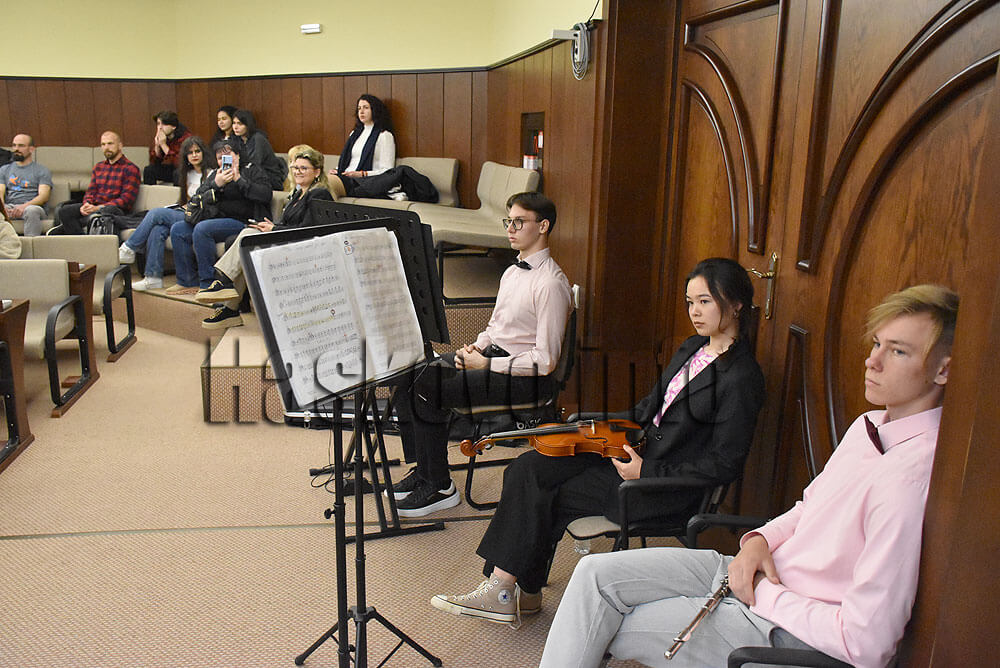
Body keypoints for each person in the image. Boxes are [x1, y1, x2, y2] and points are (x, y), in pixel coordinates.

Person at [539, 284, 959, 668]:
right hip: (756, 572)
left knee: (612, 624)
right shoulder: (868, 426)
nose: (872, 361)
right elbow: (808, 507)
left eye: (898, 352)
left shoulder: (914, 478)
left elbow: (867, 644)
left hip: (784, 623)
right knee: (594, 577)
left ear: (943, 370)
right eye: (877, 343)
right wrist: (759, 540)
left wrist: (764, 593)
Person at [430, 257, 766, 626]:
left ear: (736, 304)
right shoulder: (692, 347)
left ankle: (511, 589)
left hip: (661, 486)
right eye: (690, 302)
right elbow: (647, 409)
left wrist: (646, 471)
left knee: (546, 489)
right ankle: (514, 590)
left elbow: (725, 464)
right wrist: (596, 425)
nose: (694, 312)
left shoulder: (742, 378)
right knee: (528, 466)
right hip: (631, 451)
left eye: (705, 301)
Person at [387, 191, 572, 518]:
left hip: (526, 381)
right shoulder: (512, 272)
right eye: (508, 221)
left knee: (429, 384)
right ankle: (425, 470)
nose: (510, 229)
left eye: (519, 222)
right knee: (409, 372)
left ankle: (439, 486)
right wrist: (478, 347)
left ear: (543, 226)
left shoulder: (551, 284)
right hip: (494, 359)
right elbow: (495, 328)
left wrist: (486, 363)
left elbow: (546, 361)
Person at [193, 146, 335, 329]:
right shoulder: (298, 193)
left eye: (303, 168)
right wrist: (270, 226)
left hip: (302, 248)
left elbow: (308, 230)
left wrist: (274, 228)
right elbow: (288, 224)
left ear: (316, 172)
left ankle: (226, 289)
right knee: (247, 239)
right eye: (295, 168)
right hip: (286, 240)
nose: (298, 172)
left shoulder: (319, 193)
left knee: (247, 239)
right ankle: (229, 305)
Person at [168, 138, 273, 291]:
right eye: (220, 158)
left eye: (228, 156)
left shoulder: (252, 170)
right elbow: (198, 196)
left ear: (238, 155)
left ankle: (208, 283)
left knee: (203, 229)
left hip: (242, 221)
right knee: (179, 229)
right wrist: (216, 184)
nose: (224, 160)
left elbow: (265, 195)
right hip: (216, 219)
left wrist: (239, 180)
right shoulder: (216, 174)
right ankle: (187, 281)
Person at [119, 136, 215, 292]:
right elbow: (185, 201)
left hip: (202, 218)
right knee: (158, 229)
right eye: (190, 153)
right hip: (187, 214)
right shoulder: (186, 174)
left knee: (156, 213)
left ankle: (129, 248)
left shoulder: (212, 174)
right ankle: (153, 278)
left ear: (204, 153)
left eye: (197, 151)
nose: (194, 155)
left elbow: (208, 203)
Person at [53, 131, 140, 235]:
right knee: (65, 211)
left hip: (115, 210)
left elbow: (126, 200)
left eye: (110, 143)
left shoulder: (130, 168)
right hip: (95, 206)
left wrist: (99, 207)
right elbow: (91, 192)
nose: (106, 147)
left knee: (105, 212)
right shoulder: (99, 167)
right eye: (103, 144)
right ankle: (82, 240)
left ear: (120, 145)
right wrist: (87, 204)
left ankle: (72, 232)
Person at [327, 94, 397, 198]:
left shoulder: (384, 135)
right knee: (317, 183)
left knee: (325, 184)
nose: (361, 111)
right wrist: (337, 169)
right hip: (345, 176)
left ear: (374, 110)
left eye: (366, 108)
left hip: (363, 181)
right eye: (359, 108)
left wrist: (362, 174)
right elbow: (352, 161)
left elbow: (388, 171)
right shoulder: (354, 134)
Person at [0, 134, 52, 237]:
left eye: (21, 146)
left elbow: (44, 196)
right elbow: (0, 192)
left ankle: (32, 243)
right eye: (14, 145)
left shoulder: (41, 170)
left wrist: (23, 206)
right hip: (10, 206)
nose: (16, 149)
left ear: (31, 149)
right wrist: (3, 208)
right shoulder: (4, 169)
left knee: (31, 211)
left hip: (33, 207)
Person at [231, 109, 286, 190]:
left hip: (269, 178)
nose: (235, 127)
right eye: (234, 123)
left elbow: (255, 165)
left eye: (240, 124)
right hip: (251, 176)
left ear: (248, 125)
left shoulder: (258, 139)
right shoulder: (237, 140)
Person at [143, 110, 192, 185]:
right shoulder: (162, 137)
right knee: (149, 170)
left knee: (178, 173)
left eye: (164, 124)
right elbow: (154, 162)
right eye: (158, 124)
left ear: (173, 126)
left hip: (186, 170)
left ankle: (179, 193)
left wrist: (163, 145)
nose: (160, 128)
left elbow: (179, 163)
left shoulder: (185, 138)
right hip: (172, 169)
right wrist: (157, 146)